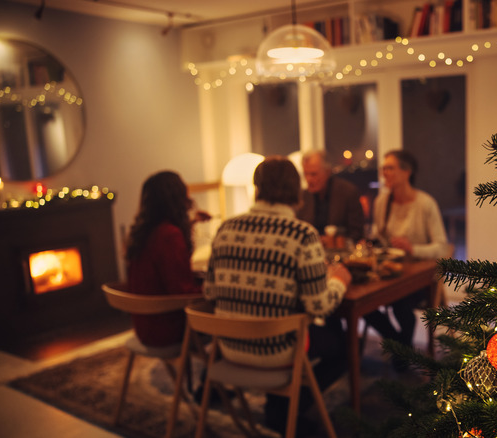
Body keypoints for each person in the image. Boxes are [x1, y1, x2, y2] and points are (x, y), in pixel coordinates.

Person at [203, 156, 352, 436]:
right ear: (296, 192)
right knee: (343, 349)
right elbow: (318, 305)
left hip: (229, 346)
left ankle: (279, 408)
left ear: (257, 189)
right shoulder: (302, 234)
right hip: (276, 351)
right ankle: (285, 410)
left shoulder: (225, 228)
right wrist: (339, 282)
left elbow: (209, 292)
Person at [365, 149, 449, 349]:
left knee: (399, 305)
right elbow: (379, 237)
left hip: (420, 277)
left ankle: (400, 351)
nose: (385, 173)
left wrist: (413, 249)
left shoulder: (425, 204)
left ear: (407, 172)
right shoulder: (381, 202)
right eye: (383, 168)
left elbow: (442, 248)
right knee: (363, 303)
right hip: (391, 273)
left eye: (390, 168)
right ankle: (399, 346)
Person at [125, 170, 209, 347]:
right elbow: (182, 291)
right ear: (177, 198)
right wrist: (211, 290)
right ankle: (213, 369)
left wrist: (192, 222)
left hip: (145, 326)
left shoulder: (144, 233)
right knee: (224, 312)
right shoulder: (169, 235)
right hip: (167, 329)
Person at [297, 149, 366, 243]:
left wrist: (334, 241)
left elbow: (357, 233)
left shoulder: (348, 192)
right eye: (306, 174)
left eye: (313, 174)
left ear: (327, 172)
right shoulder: (303, 197)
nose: (308, 179)